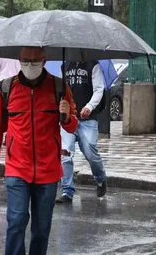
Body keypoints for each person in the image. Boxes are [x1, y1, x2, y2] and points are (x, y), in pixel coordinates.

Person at [0, 47, 78, 255]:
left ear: (44, 61)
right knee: (16, 221)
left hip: (48, 170)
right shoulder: (8, 87)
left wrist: (67, 115)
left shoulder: (59, 87)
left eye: (35, 61)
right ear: (19, 60)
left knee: (42, 229)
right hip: (17, 167)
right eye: (25, 60)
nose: (30, 65)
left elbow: (72, 127)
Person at [56, 61, 107, 204]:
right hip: (68, 119)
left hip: (87, 119)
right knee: (65, 153)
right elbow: (60, 91)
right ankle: (67, 190)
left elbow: (98, 89)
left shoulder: (93, 65)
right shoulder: (64, 66)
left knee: (90, 151)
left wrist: (89, 106)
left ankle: (100, 178)